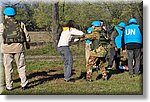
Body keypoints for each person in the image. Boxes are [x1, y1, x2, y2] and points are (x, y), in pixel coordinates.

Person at [0, 7, 30, 90]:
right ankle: (24, 84)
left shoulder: (2, 25)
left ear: (5, 15)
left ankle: (9, 86)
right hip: (19, 48)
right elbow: (26, 35)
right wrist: (27, 44)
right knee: (21, 66)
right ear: (14, 15)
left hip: (6, 49)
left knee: (8, 68)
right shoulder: (20, 23)